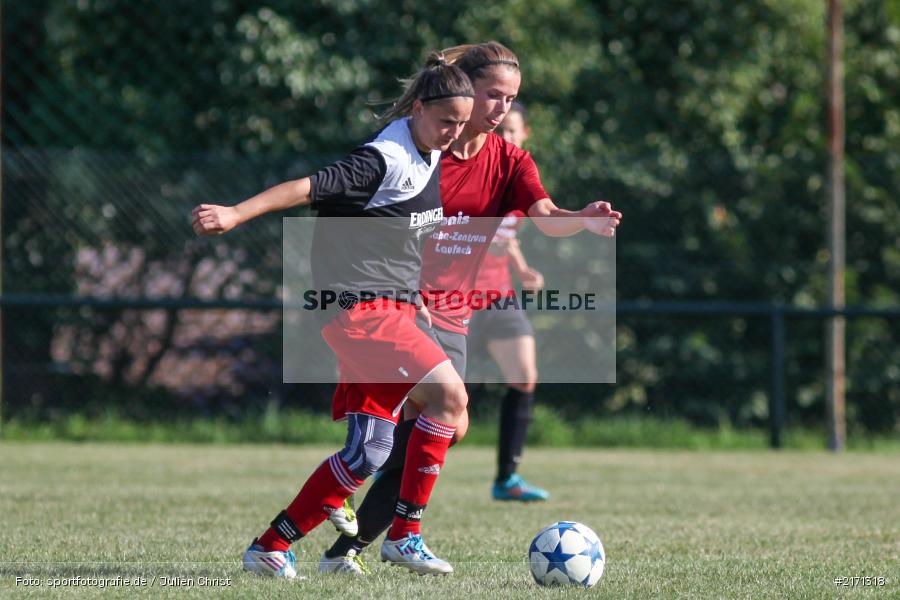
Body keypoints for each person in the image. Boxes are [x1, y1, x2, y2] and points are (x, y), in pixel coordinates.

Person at [321, 41, 621, 575]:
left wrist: (582, 217)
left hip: (454, 312)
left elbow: (545, 213)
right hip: (399, 302)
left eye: (511, 98)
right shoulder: (419, 149)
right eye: (493, 95)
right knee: (440, 413)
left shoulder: (510, 160)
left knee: (442, 428)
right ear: (465, 88)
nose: (501, 108)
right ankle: (365, 524)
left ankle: (345, 537)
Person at [191, 54, 475, 579]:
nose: (454, 133)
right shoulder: (384, 158)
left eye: (461, 123)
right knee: (450, 399)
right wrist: (233, 213)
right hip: (363, 312)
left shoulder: (431, 146)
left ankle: (271, 546)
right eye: (446, 121)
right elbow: (306, 187)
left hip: (390, 310)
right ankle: (404, 535)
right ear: (418, 108)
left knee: (370, 452)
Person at [467, 101, 550, 502]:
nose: (505, 137)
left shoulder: (519, 177)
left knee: (524, 374)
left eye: (513, 130)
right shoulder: (469, 170)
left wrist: (523, 269)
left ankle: (507, 479)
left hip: (499, 295)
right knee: (443, 401)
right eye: (500, 130)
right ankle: (388, 469)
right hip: (454, 298)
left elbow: (506, 235)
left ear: (525, 135)